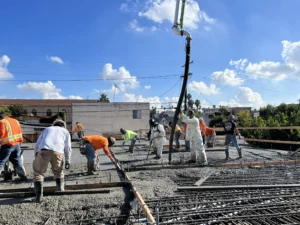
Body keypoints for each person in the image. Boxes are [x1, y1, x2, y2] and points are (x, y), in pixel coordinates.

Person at [33, 120, 72, 203]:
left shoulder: (47, 129)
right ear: (63, 126)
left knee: (38, 173)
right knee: (59, 172)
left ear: (54, 125)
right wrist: (68, 160)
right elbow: (67, 147)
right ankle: (60, 191)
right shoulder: (65, 132)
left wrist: (36, 153)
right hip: (58, 152)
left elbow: (38, 143)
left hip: (44, 150)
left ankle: (38, 197)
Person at [0, 112, 27, 181]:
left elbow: (1, 133)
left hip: (8, 145)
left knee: (1, 161)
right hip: (17, 144)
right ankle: (23, 177)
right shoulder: (15, 121)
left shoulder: (2, 122)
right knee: (17, 160)